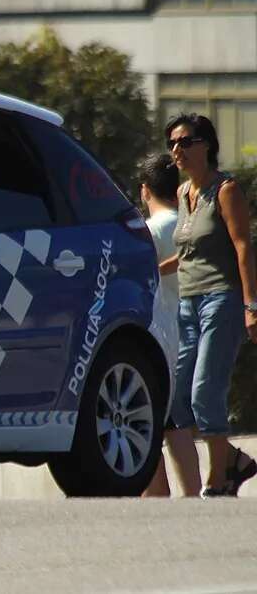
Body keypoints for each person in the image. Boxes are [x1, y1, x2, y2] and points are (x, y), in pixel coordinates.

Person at [161, 113, 257, 497]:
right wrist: (151, 270)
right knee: (179, 399)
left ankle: (217, 480)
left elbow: (243, 247)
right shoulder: (184, 194)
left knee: (205, 391)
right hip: (188, 301)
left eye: (185, 142)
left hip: (222, 299)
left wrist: (252, 305)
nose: (176, 150)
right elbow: (186, 255)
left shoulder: (225, 189)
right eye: (172, 144)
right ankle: (233, 460)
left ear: (206, 145)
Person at [137, 154, 201, 497]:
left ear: (145, 191)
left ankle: (156, 499)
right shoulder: (191, 226)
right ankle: (195, 493)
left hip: (157, 337)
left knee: (146, 425)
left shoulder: (146, 233)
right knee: (178, 425)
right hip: (189, 334)